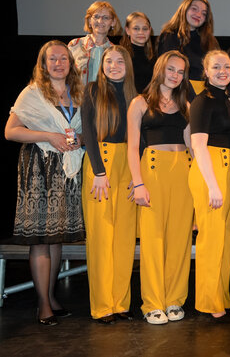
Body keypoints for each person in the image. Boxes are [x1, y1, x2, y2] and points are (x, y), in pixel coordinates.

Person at [5, 40, 85, 325]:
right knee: (40, 239)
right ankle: (43, 305)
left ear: (70, 63)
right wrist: (47, 136)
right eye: (53, 59)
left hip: (66, 170)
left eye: (64, 58)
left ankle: (51, 297)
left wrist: (80, 139)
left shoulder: (79, 91)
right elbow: (10, 132)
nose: (59, 63)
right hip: (38, 169)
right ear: (43, 64)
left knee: (56, 238)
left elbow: (86, 130)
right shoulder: (32, 93)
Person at [127, 50, 194, 325]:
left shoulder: (186, 105)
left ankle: (175, 298)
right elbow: (132, 147)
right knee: (153, 240)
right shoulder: (140, 102)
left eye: (180, 71)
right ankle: (152, 302)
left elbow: (192, 145)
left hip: (184, 171)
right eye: (171, 69)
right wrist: (138, 181)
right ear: (160, 70)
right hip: (152, 171)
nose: (176, 75)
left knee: (180, 239)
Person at [81, 45, 138, 323]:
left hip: (127, 165)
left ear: (127, 66)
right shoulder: (92, 91)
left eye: (119, 61)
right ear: (101, 64)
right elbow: (89, 133)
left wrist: (138, 178)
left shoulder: (135, 96)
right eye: (108, 61)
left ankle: (120, 303)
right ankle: (102, 305)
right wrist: (99, 171)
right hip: (100, 165)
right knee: (102, 238)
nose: (113, 65)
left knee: (124, 238)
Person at [188, 50, 230, 320]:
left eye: (227, 66)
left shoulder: (228, 101)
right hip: (211, 171)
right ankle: (208, 300)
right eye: (216, 67)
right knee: (211, 240)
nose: (223, 71)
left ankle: (219, 295)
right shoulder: (202, 101)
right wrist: (212, 185)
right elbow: (198, 144)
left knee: (224, 238)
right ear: (206, 72)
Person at [157, 0, 220, 94]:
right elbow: (165, 72)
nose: (199, 15)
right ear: (184, 9)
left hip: (206, 93)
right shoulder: (169, 37)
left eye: (204, 13)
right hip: (179, 92)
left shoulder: (211, 41)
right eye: (194, 9)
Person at [69, 0, 122, 85]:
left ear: (113, 22)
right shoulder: (75, 45)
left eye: (105, 18)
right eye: (96, 17)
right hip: (78, 97)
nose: (100, 21)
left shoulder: (115, 51)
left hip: (105, 98)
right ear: (89, 20)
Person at [120, 11, 156, 93]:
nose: (141, 32)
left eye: (145, 28)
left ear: (150, 30)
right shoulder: (121, 55)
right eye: (136, 28)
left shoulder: (155, 56)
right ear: (127, 30)